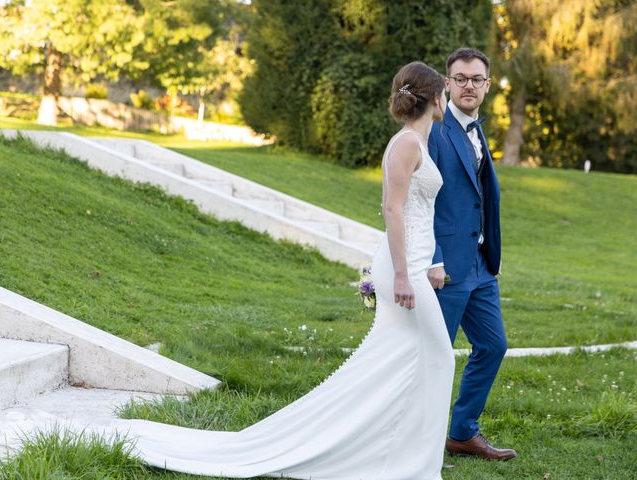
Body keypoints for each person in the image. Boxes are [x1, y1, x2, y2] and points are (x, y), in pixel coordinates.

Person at [89, 61, 454, 480]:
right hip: (399, 269)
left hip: (413, 264)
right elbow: (392, 210)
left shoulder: (420, 144)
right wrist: (406, 274)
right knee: (439, 356)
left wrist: (423, 266)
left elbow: (416, 213)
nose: (447, 96)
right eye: (444, 90)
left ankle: (396, 453)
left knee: (406, 359)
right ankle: (411, 462)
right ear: (432, 97)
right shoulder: (407, 144)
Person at [427, 47, 517, 461]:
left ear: (487, 84)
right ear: (447, 83)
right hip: (446, 267)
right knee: (434, 356)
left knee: (493, 345)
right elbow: (418, 200)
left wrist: (491, 254)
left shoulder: (477, 129)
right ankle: (420, 436)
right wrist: (433, 257)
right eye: (460, 78)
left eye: (476, 79)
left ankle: (462, 432)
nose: (468, 85)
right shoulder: (433, 130)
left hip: (481, 265)